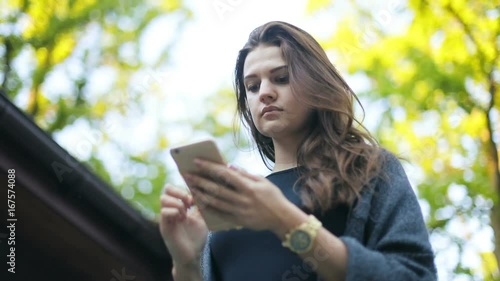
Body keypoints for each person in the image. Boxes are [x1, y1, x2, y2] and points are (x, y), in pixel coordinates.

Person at [159, 21, 437, 281]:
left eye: (280, 78)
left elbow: (414, 274)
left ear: (315, 81)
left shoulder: (369, 169)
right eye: (252, 87)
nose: (264, 93)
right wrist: (187, 262)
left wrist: (284, 218)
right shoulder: (239, 203)